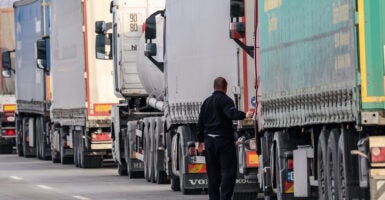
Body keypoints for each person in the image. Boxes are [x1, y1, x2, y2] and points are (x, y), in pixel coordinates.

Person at [197, 77, 253, 200]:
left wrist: (200, 141)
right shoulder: (226, 101)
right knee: (228, 172)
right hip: (224, 142)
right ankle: (225, 197)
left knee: (212, 174)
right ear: (225, 88)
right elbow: (231, 114)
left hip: (209, 142)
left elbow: (200, 123)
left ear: (213, 87)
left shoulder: (206, 102)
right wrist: (245, 115)